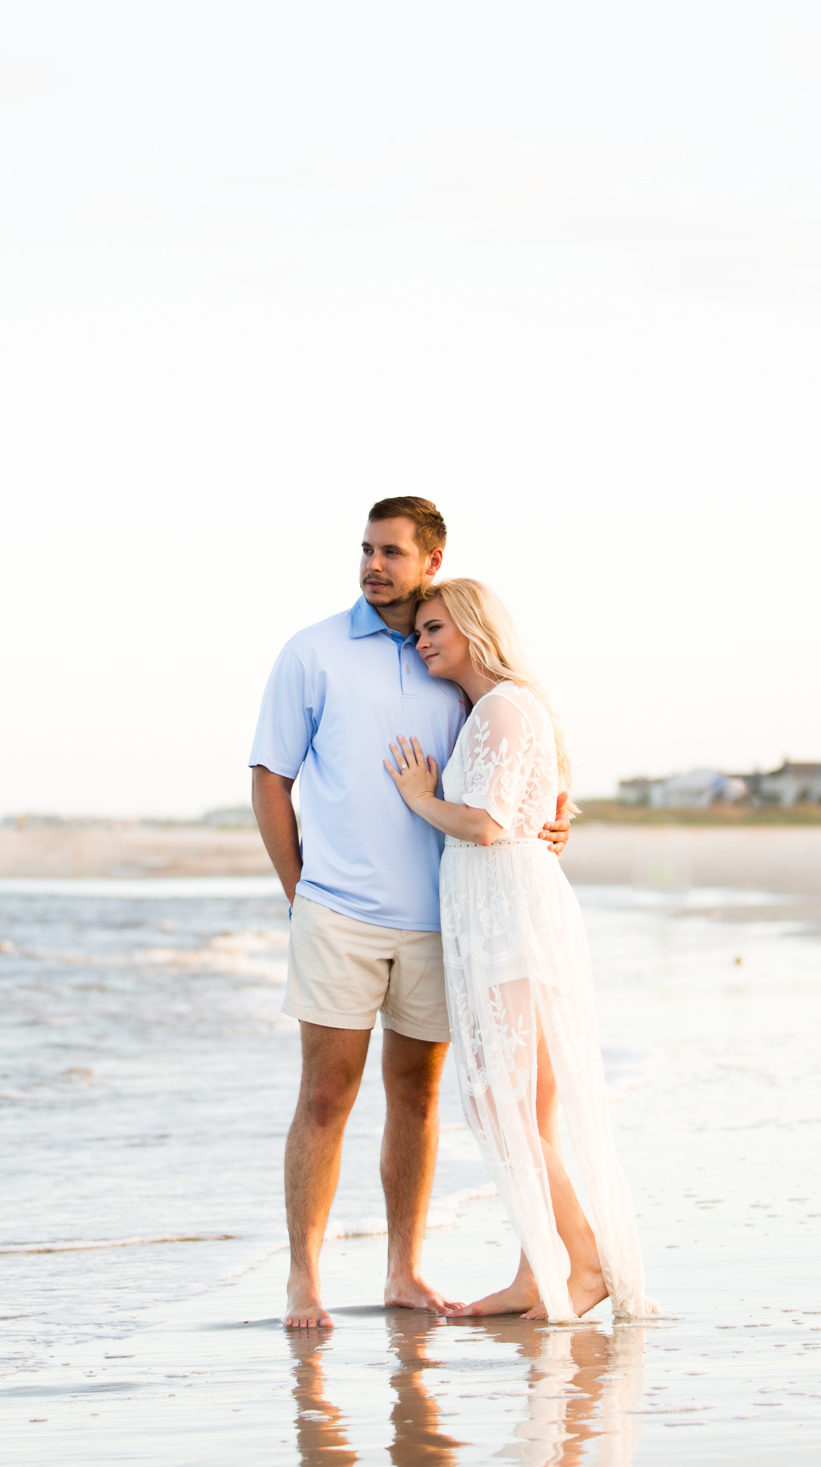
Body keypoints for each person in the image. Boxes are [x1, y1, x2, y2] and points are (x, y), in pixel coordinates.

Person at [250, 499, 571, 1331]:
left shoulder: (445, 655)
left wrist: (553, 814)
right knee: (326, 1093)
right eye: (366, 549)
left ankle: (405, 1270)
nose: (373, 565)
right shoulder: (312, 652)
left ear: (431, 559)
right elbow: (269, 778)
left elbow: (516, 752)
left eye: (391, 551)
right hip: (338, 915)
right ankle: (304, 1281)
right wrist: (300, 893)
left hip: (441, 922)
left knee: (418, 1097)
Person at [384, 578, 655, 1322]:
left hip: (513, 924)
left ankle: (586, 1260)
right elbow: (547, 810)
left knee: (504, 1105)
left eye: (435, 626)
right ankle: (539, 1270)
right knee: (523, 1110)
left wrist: (418, 798)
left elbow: (487, 824)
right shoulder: (498, 710)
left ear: (473, 626)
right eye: (419, 630)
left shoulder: (503, 707)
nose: (423, 640)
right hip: (506, 916)